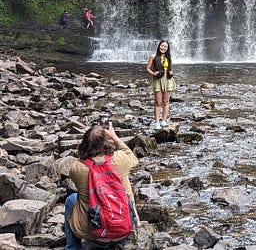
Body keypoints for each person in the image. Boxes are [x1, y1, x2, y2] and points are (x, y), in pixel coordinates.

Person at [65, 122, 139, 250]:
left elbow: (72, 165)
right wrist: (115, 137)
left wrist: (83, 153)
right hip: (124, 228)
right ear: (107, 142)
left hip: (93, 234)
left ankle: (72, 247)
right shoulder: (120, 159)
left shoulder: (77, 169)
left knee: (71, 199)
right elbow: (134, 159)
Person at [146, 40, 176, 130]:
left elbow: (171, 69)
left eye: (165, 47)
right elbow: (147, 68)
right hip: (158, 80)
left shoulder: (169, 58)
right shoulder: (153, 56)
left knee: (166, 102)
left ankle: (163, 121)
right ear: (159, 46)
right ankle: (157, 122)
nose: (163, 48)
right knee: (158, 102)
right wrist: (153, 73)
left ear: (167, 49)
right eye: (162, 46)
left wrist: (172, 73)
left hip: (168, 80)